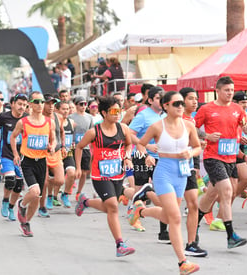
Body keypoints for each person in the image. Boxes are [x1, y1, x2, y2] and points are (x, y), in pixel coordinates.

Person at [129, 91, 201, 274]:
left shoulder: (189, 125)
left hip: (182, 174)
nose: (180, 107)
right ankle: (182, 263)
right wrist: (146, 153)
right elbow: (138, 140)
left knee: (170, 216)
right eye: (176, 103)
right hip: (164, 173)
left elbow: (198, 147)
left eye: (181, 104)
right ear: (166, 106)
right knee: (175, 218)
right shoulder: (157, 127)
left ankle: (141, 211)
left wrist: (190, 154)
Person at [194, 76, 247, 249]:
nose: (230, 93)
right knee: (227, 191)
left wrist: (246, 129)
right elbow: (192, 128)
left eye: (232, 90)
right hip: (213, 157)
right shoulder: (207, 109)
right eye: (226, 90)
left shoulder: (237, 109)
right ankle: (231, 236)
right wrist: (206, 136)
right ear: (217, 91)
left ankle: (193, 224)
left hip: (230, 157)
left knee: (211, 194)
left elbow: (244, 125)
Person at [74, 96, 135, 257]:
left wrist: (127, 156)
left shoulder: (123, 129)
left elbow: (129, 144)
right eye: (113, 111)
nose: (117, 114)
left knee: (110, 206)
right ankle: (120, 244)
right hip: (100, 175)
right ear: (104, 113)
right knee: (113, 206)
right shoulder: (94, 132)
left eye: (119, 111)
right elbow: (79, 147)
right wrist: (79, 167)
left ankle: (85, 201)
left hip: (117, 174)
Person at [11, 91, 56, 237]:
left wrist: (52, 146)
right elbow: (13, 137)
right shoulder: (23, 122)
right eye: (36, 102)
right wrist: (16, 154)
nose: (40, 105)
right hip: (27, 161)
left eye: (42, 102)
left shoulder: (49, 122)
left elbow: (53, 139)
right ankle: (21, 205)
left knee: (37, 197)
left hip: (42, 161)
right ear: (30, 104)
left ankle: (26, 223)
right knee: (35, 191)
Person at [129, 87, 168, 241]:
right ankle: (135, 216)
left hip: (162, 158)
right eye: (159, 98)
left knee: (162, 193)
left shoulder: (167, 116)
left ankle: (163, 231)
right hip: (141, 155)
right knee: (140, 190)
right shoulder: (143, 116)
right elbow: (130, 135)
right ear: (151, 100)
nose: (162, 101)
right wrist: (146, 148)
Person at [179, 87, 208, 257]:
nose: (195, 102)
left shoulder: (192, 120)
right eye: (191, 98)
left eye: (196, 98)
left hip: (187, 166)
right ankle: (141, 210)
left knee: (192, 204)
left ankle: (191, 243)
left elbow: (195, 146)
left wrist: (195, 164)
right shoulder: (170, 120)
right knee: (171, 210)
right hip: (169, 168)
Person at [0, 94, 28, 221]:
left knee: (18, 185)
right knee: (10, 180)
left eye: (24, 105)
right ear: (12, 104)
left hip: (22, 157)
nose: (22, 107)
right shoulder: (3, 117)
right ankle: (5, 201)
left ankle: (12, 208)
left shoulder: (26, 119)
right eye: (19, 104)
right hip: (6, 154)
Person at [41, 94, 65, 216]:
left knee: (60, 180)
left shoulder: (58, 117)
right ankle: (45, 202)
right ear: (43, 104)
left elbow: (61, 131)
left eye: (52, 104)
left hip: (56, 151)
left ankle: (50, 192)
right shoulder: (39, 118)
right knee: (44, 182)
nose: (51, 106)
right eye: (48, 103)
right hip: (42, 153)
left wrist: (64, 146)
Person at [69, 96, 93, 201]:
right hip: (74, 147)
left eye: (85, 104)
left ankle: (79, 191)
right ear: (76, 105)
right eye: (81, 104)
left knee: (83, 172)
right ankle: (68, 188)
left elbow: (91, 132)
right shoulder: (71, 117)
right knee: (73, 171)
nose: (83, 106)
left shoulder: (89, 117)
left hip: (86, 147)